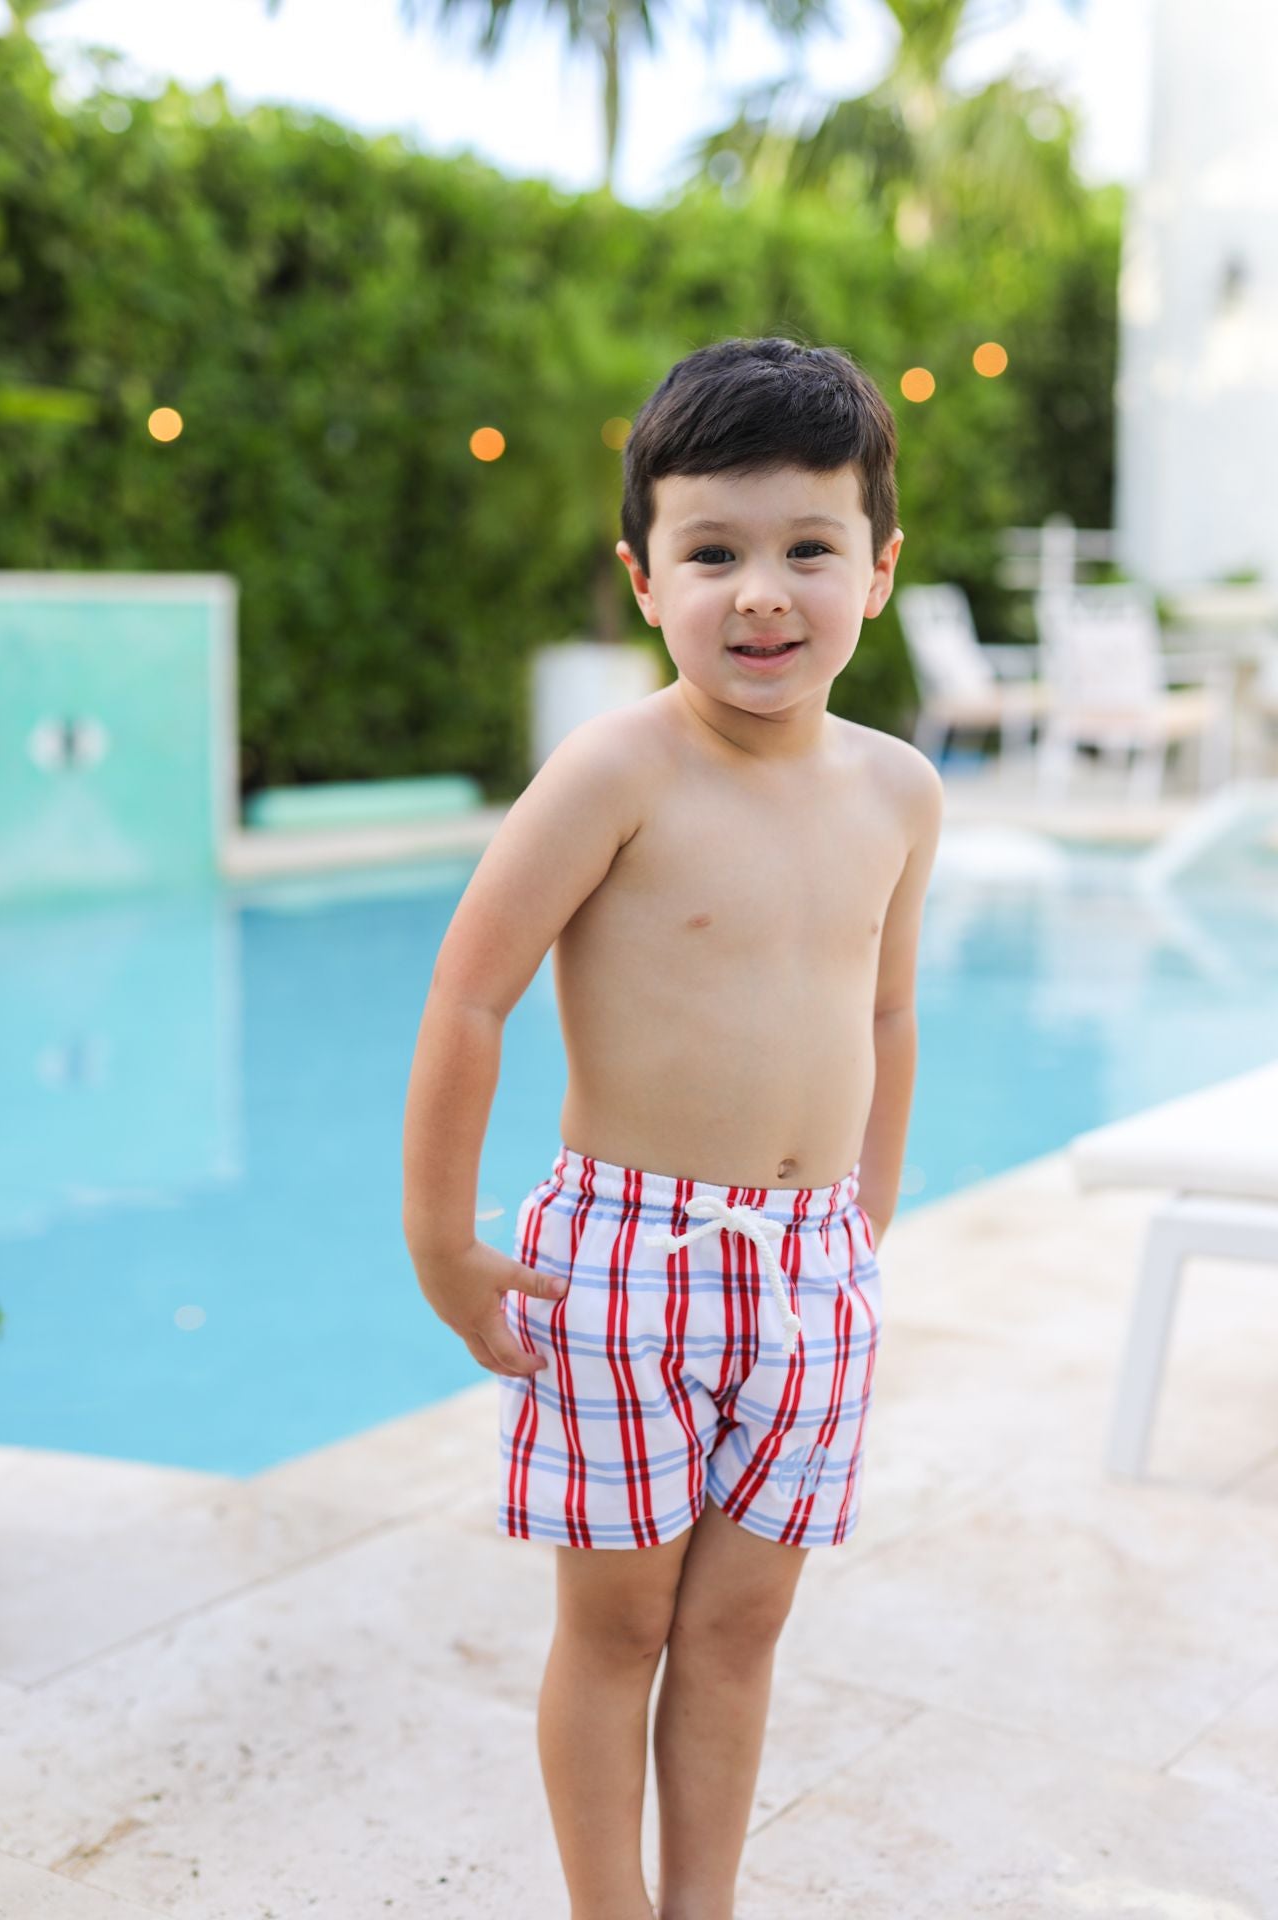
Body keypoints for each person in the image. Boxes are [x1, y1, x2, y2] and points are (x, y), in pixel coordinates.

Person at [401, 333, 944, 1920]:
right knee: (621, 1625)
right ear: (645, 578)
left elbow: (889, 1012)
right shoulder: (615, 771)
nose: (760, 593)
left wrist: (870, 1210)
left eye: (806, 549)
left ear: (879, 570)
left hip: (809, 1271)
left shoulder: (899, 792)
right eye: (712, 552)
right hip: (630, 1266)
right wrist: (446, 1245)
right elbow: (466, 999)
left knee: (739, 1627)